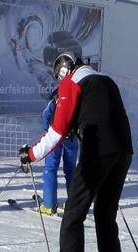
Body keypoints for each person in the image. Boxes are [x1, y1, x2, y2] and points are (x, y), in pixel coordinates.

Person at [19, 53, 132, 252]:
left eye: (59, 76)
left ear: (65, 70)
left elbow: (57, 131)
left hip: (97, 150)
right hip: (123, 150)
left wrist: (31, 154)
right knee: (105, 215)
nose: (60, 81)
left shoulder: (72, 81)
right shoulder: (106, 79)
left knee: (72, 216)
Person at [39, 87, 78, 215]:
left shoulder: (58, 94)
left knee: (50, 169)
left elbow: (47, 114)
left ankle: (49, 205)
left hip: (55, 136)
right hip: (71, 137)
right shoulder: (78, 94)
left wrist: (47, 129)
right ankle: (73, 203)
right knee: (71, 170)